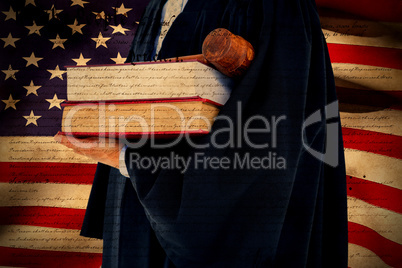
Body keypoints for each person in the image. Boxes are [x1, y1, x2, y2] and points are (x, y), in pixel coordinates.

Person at [55, 0, 348, 267]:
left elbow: (269, 141)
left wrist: (123, 158)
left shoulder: (278, 9)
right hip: (139, 213)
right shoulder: (159, 5)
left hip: (211, 225)